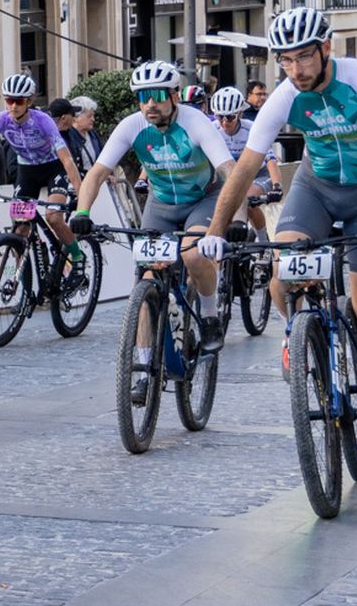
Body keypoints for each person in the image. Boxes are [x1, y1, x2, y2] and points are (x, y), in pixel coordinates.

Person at [198, 8, 357, 463]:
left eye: (303, 57)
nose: (295, 70)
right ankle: (295, 333)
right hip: (315, 188)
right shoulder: (284, 97)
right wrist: (217, 230)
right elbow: (245, 167)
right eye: (285, 60)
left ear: (326, 49)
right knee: (283, 270)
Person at [71, 62, 235, 402]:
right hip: (161, 205)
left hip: (202, 199)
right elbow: (97, 172)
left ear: (174, 96)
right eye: (143, 97)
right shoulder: (132, 126)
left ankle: (208, 315)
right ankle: (145, 369)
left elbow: (228, 169)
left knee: (193, 254)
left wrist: (235, 218)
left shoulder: (195, 122)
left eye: (158, 96)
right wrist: (82, 212)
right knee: (145, 280)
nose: (150, 104)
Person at [0, 74, 83, 260]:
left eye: (19, 101)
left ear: (29, 101)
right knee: (19, 229)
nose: (13, 106)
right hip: (27, 171)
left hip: (53, 167)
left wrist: (78, 193)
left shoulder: (43, 120)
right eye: (9, 100)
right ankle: (23, 274)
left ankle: (77, 257)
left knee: (53, 217)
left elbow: (67, 159)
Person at [210, 86, 282, 237]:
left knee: (245, 199)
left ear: (240, 113)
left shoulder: (252, 129)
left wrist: (277, 186)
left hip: (258, 174)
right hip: (230, 177)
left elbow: (270, 159)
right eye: (219, 117)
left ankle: (263, 240)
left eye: (230, 117)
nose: (224, 122)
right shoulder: (212, 130)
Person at [64, 96, 104, 177]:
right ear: (75, 117)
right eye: (89, 116)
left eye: (93, 116)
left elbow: (103, 156)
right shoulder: (68, 137)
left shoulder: (92, 134)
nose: (93, 119)